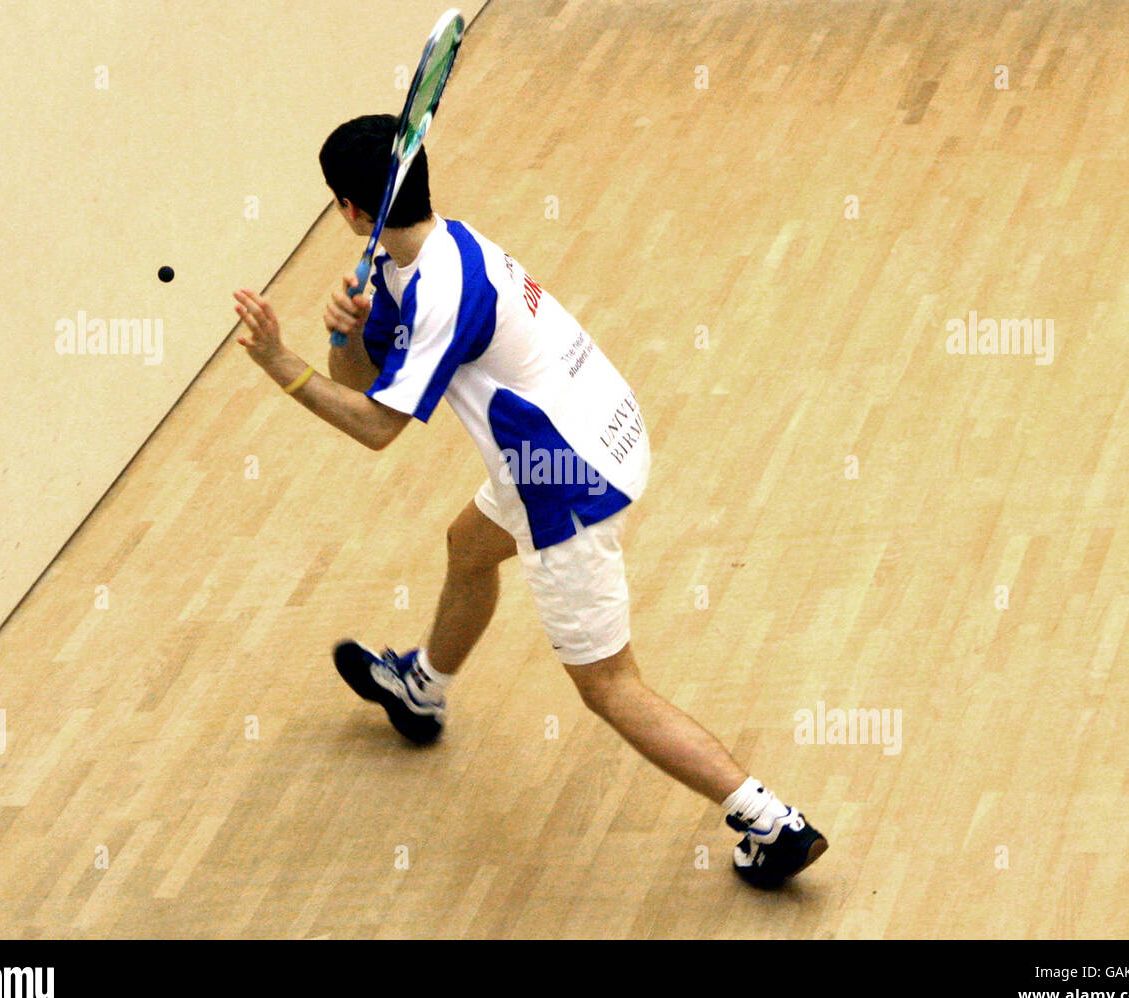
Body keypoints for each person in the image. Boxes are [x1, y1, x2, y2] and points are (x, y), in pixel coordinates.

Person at [232, 114, 827, 887]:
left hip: (566, 479)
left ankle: (770, 820)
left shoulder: (446, 291)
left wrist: (282, 363)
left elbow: (376, 429)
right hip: (599, 426)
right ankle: (422, 692)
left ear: (349, 206)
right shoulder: (425, 251)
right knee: (469, 545)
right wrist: (342, 336)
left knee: (608, 685)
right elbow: (360, 379)